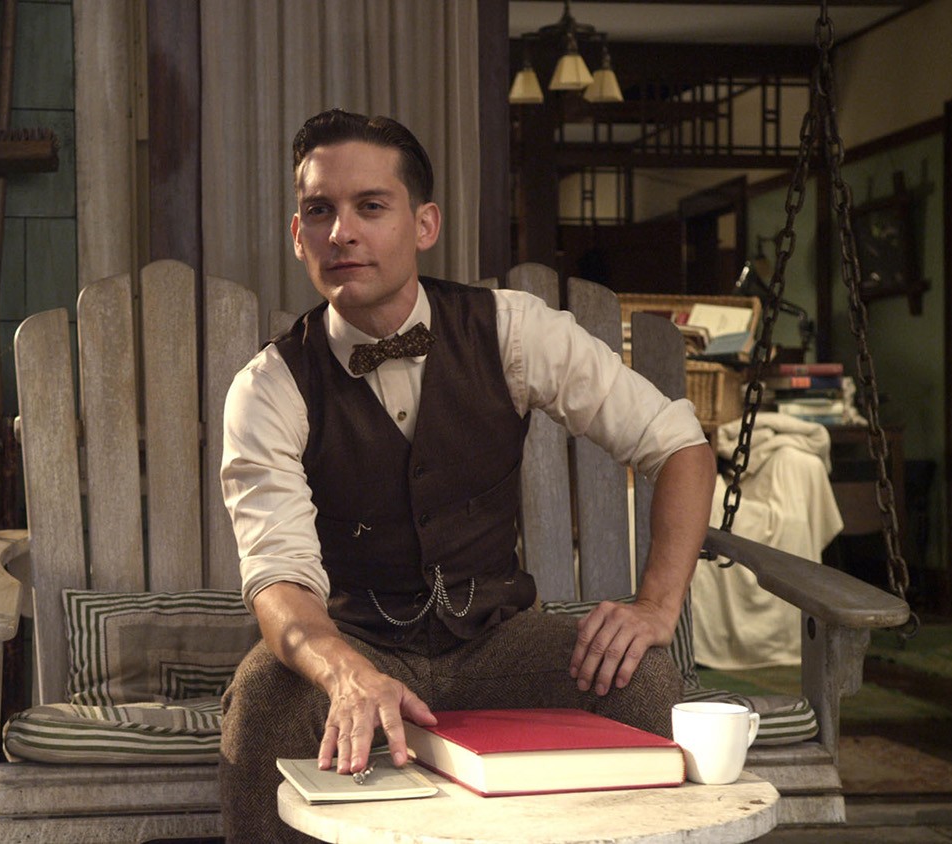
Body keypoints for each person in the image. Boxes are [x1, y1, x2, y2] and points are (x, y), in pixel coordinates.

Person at [218, 108, 715, 842]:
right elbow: (278, 582)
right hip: (357, 643)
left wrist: (656, 606)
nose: (341, 232)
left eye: (371, 206)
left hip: (498, 644)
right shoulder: (269, 386)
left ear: (425, 224)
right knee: (264, 695)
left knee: (642, 683)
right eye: (319, 211)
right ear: (298, 235)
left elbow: (679, 445)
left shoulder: (512, 330)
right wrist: (346, 673)